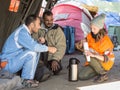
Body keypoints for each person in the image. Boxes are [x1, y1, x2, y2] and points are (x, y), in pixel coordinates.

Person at [0, 14, 57, 88]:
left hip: (12, 62)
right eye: (38, 24)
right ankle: (26, 80)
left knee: (35, 50)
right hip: (6, 64)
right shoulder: (22, 32)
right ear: (32, 25)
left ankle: (29, 78)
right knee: (32, 52)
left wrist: (39, 43)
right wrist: (49, 48)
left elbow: (32, 45)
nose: (40, 27)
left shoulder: (25, 32)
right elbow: (34, 47)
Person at [79, 13, 115, 83]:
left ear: (100, 28)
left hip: (105, 63)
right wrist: (81, 43)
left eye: (94, 28)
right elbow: (85, 43)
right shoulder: (90, 35)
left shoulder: (106, 41)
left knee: (87, 54)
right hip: (94, 62)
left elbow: (106, 59)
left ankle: (103, 74)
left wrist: (93, 55)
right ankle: (97, 70)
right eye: (91, 28)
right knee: (81, 76)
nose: (92, 30)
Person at [32, 10, 66, 75]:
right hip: (40, 56)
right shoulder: (38, 29)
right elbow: (33, 41)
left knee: (56, 69)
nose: (49, 22)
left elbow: (61, 47)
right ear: (43, 20)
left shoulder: (57, 30)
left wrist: (55, 59)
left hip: (52, 56)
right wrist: (38, 41)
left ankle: (47, 68)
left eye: (51, 20)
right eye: (47, 20)